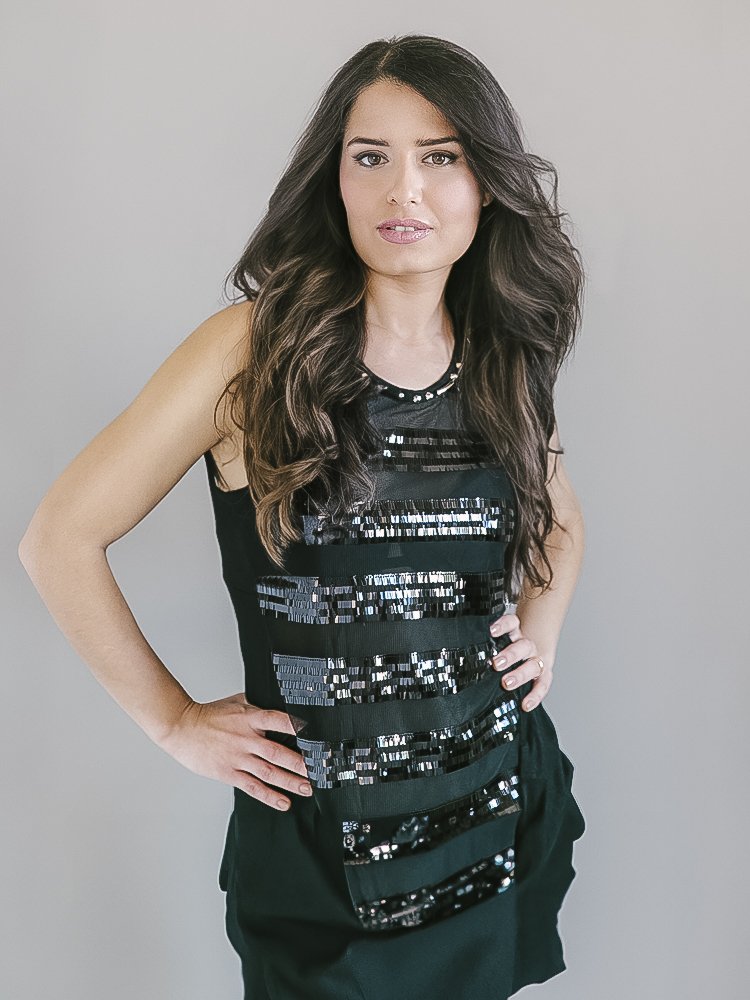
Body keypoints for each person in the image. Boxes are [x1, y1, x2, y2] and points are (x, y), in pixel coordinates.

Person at [19, 33, 587, 1000]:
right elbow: (58, 539)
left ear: (486, 185)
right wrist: (172, 721)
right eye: (371, 157)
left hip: (493, 814)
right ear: (335, 179)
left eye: (441, 157)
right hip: (324, 860)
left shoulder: (505, 355)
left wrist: (543, 630)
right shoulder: (252, 349)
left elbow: (561, 524)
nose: (405, 190)